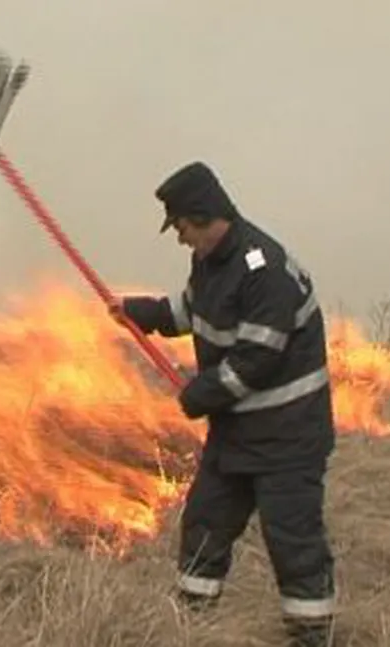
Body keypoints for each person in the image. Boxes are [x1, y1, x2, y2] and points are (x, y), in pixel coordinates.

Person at [109, 161, 337, 647]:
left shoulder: (264, 272)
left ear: (205, 215)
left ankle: (311, 635)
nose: (180, 239)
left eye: (183, 228)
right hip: (237, 434)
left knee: (292, 541)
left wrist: (200, 394)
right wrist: (143, 313)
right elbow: (194, 310)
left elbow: (255, 361)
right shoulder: (212, 261)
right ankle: (192, 626)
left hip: (288, 437)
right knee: (205, 525)